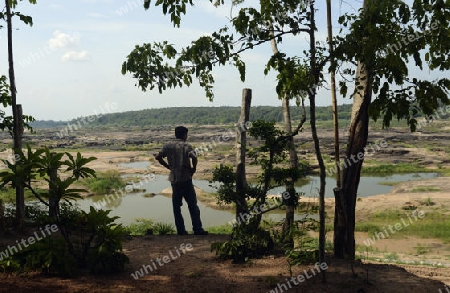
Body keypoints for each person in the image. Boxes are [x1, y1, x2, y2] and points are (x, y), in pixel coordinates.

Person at [154, 126, 208, 235]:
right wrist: (194, 169)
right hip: (186, 179)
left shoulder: (167, 146)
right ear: (184, 135)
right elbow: (194, 157)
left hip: (174, 180)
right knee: (193, 205)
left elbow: (158, 157)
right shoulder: (186, 146)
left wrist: (169, 167)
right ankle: (197, 229)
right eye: (186, 135)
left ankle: (181, 231)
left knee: (176, 207)